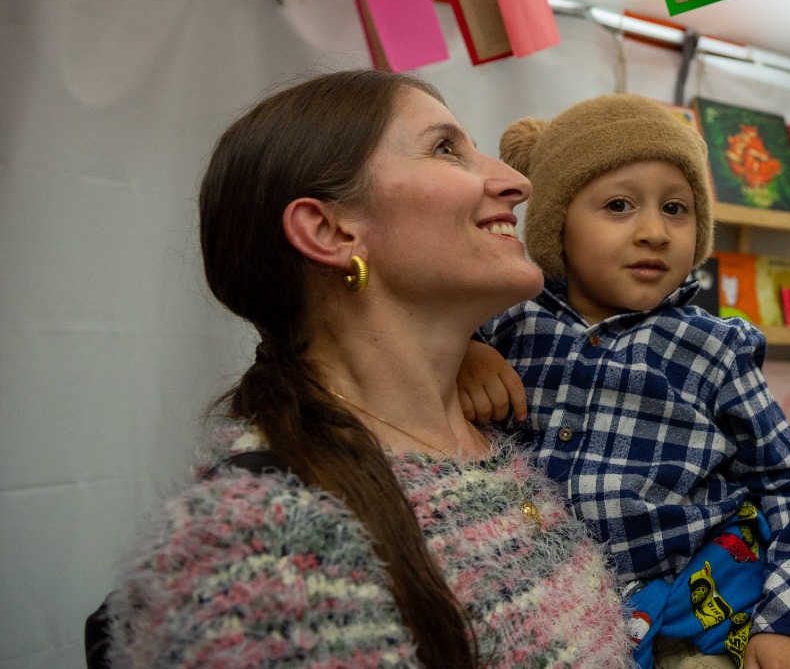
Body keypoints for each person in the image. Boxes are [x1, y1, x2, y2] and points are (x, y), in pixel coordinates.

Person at [98, 70, 632, 669]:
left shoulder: (508, 446)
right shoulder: (263, 548)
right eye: (445, 148)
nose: (516, 182)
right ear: (331, 230)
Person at [458, 94, 790, 669]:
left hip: (688, 623)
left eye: (677, 209)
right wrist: (466, 354)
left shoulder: (715, 348)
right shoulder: (505, 323)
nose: (655, 231)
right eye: (619, 205)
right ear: (557, 224)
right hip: (536, 612)